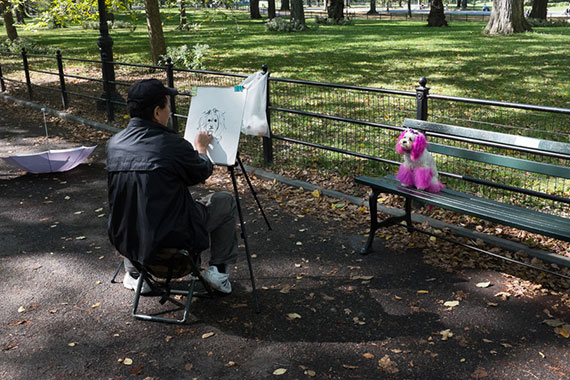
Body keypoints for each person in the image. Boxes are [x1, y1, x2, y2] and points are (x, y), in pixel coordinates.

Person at [106, 78, 238, 295]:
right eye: (168, 106)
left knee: (130, 206)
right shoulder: (171, 145)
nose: (170, 112)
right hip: (173, 242)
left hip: (129, 240)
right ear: (157, 112)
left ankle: (135, 274)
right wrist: (201, 149)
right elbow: (201, 172)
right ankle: (219, 272)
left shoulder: (114, 144)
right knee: (224, 201)